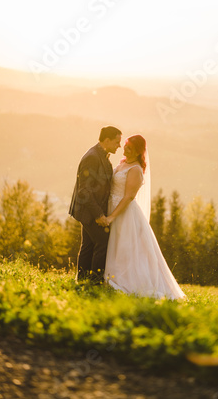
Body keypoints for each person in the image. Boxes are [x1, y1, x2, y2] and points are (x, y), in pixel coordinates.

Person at [104, 135, 186, 300]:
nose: (125, 149)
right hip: (111, 206)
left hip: (124, 213)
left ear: (137, 150)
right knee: (112, 247)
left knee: (124, 249)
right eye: (125, 145)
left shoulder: (135, 169)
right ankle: (108, 276)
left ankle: (123, 280)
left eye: (129, 147)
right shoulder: (122, 164)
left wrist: (112, 216)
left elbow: (128, 197)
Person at [69, 126, 122, 281]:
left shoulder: (102, 155)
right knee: (103, 242)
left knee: (88, 245)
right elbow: (84, 191)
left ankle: (83, 280)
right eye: (117, 142)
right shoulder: (92, 157)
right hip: (89, 210)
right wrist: (98, 214)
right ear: (107, 140)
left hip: (90, 209)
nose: (119, 145)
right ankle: (95, 282)